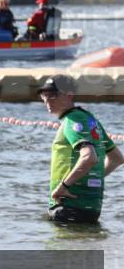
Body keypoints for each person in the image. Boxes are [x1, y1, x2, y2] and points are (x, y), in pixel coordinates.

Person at [38, 75, 122, 223]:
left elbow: (89, 157)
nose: (47, 100)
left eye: (53, 95)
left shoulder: (72, 120)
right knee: (84, 243)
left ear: (69, 95)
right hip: (91, 207)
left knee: (59, 246)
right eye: (44, 95)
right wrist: (90, 179)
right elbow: (117, 159)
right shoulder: (91, 121)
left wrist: (63, 186)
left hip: (68, 205)